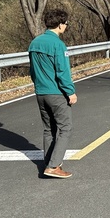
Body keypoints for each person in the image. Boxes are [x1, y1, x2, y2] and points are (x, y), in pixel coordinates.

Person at [28, 9, 77, 179]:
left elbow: (32, 71)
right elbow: (62, 71)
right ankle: (54, 166)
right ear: (60, 24)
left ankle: (48, 161)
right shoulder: (58, 45)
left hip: (40, 92)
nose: (66, 26)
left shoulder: (34, 43)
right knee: (66, 128)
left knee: (49, 129)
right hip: (55, 92)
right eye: (65, 23)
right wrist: (70, 92)